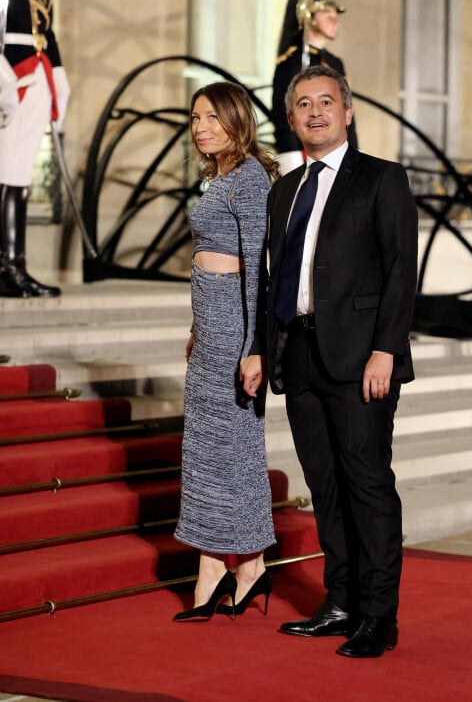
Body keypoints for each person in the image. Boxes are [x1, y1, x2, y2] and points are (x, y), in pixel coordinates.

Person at [243, 65, 418, 658]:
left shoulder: (382, 179)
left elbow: (401, 272)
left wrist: (386, 350)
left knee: (367, 484)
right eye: (302, 104)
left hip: (362, 355)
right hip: (300, 354)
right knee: (324, 484)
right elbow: (274, 280)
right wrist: (264, 347)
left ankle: (379, 616)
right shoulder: (284, 189)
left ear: (347, 112)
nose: (314, 112)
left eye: (326, 102)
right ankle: (340, 600)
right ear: (290, 118)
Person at [173, 81, 279, 622]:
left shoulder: (250, 179)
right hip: (210, 329)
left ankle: (251, 562)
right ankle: (216, 563)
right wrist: (197, 326)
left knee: (236, 449)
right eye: (195, 117)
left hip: (238, 332)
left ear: (238, 121)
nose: (201, 127)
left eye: (213, 117)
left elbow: (260, 272)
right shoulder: (217, 179)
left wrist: (255, 347)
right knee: (207, 452)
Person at [0, 0, 70, 298]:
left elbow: (47, 27)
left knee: (20, 172)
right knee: (5, 171)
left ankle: (14, 265)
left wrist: (59, 73)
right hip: (9, 71)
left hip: (35, 72)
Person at [272, 0, 358, 175]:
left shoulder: (335, 62)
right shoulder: (292, 62)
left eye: (335, 15)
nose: (335, 21)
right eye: (327, 14)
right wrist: (291, 163)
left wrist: (354, 157)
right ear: (309, 16)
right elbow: (284, 116)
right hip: (304, 157)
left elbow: (347, 116)